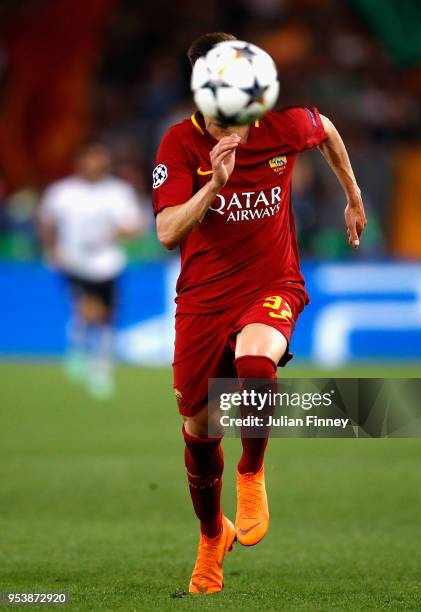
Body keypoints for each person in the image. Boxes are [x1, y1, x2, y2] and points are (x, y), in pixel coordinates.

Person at [152, 32, 367, 594]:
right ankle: (210, 537)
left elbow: (327, 129)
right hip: (203, 300)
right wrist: (212, 188)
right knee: (199, 429)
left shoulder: (281, 126)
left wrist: (353, 193)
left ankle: (251, 471)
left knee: (254, 366)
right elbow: (168, 231)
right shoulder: (179, 144)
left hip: (273, 282)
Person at [39, 143, 142, 398]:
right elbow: (46, 220)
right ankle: (80, 352)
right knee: (88, 309)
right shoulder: (62, 192)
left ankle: (101, 363)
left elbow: (135, 226)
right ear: (80, 161)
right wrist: (51, 249)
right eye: (91, 159)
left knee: (107, 316)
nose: (95, 164)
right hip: (75, 263)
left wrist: (119, 232)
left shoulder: (118, 192)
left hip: (108, 263)